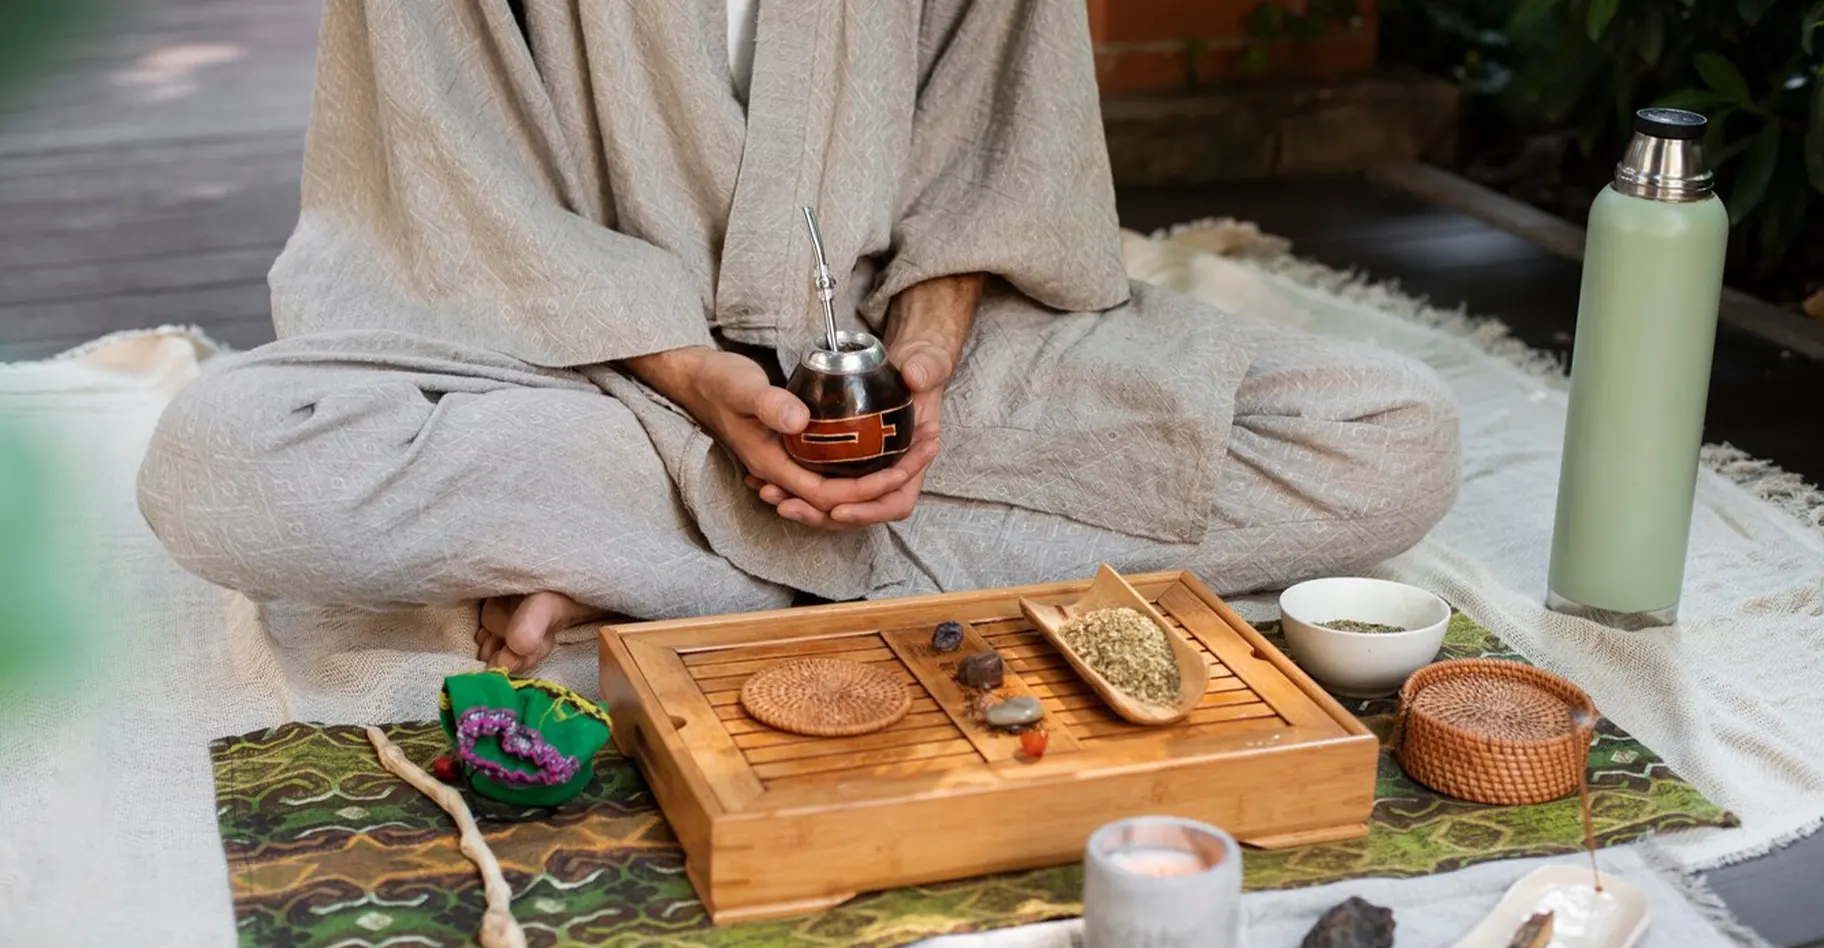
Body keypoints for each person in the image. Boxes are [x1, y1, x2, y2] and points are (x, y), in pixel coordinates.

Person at [136, 0, 1461, 675]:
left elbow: (1005, 149)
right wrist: (681, 371)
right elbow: (447, 190)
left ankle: (631, 574)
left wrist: (931, 353)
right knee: (224, 466)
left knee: (1389, 439)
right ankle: (738, 554)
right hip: (584, 365)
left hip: (899, 356)